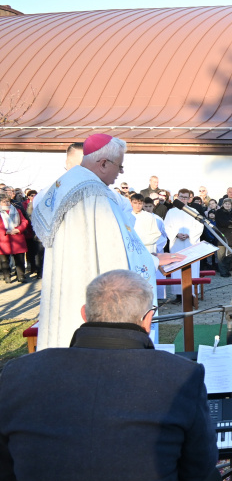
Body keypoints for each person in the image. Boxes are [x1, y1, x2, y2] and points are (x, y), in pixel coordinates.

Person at [0, 270, 222, 481]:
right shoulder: (181, 374)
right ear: (147, 319)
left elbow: (5, 475)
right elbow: (197, 468)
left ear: (84, 313)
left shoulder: (18, 372)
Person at [32, 134, 180, 349]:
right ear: (103, 163)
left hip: (69, 283)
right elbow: (114, 254)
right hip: (92, 285)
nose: (120, 174)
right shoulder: (97, 195)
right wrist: (153, 261)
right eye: (120, 167)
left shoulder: (63, 184)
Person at [165, 189, 204, 301]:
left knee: (191, 268)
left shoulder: (193, 211)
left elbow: (200, 226)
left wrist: (189, 234)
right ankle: (178, 294)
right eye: (181, 197)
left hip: (190, 244)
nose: (183, 199)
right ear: (177, 197)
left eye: (186, 197)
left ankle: (192, 293)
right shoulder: (171, 212)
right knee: (177, 267)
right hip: (177, 244)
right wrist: (176, 234)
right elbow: (166, 226)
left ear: (189, 198)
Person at [0, 194, 28, 284]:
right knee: (4, 260)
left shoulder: (17, 210)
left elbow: (24, 221)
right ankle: (7, 276)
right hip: (4, 239)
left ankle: (21, 276)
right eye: (4, 201)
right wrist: (6, 231)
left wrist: (18, 229)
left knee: (20, 259)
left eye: (8, 201)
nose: (7, 203)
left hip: (17, 237)